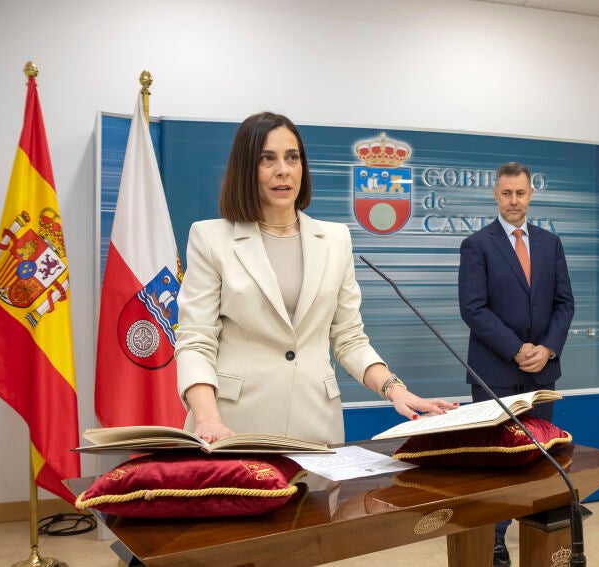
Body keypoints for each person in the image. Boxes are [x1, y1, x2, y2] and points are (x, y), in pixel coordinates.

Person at [175, 112, 455, 446]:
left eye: (292, 157)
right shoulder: (211, 238)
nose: (283, 169)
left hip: (316, 423)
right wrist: (208, 419)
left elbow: (349, 338)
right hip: (233, 425)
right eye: (267, 158)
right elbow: (196, 341)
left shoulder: (335, 239)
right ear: (245, 168)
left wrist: (394, 388)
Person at [457, 161, 575, 565]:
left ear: (530, 194)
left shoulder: (550, 243)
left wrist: (548, 348)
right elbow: (473, 309)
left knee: (540, 458)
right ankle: (494, 540)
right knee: (498, 461)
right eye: (506, 193)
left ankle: (540, 537)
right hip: (495, 374)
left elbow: (564, 304)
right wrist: (516, 349)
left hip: (542, 373)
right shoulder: (477, 244)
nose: (513, 201)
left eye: (520, 193)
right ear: (495, 194)